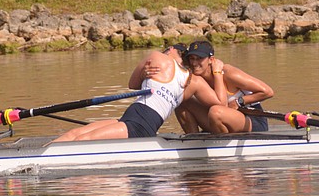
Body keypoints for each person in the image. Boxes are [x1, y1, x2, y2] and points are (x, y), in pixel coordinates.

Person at [52, 44, 221, 142]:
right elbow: (220, 103)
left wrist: (143, 73)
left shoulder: (156, 56)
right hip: (129, 119)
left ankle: (38, 160)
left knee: (82, 140)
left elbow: (132, 84)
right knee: (74, 134)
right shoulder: (194, 81)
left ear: (170, 50)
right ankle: (36, 157)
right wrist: (217, 72)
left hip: (141, 125)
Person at [177, 40, 274, 134]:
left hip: (253, 120)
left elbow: (267, 92)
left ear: (211, 60)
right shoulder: (197, 77)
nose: (194, 63)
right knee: (182, 102)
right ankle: (194, 143)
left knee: (215, 112)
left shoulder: (228, 73)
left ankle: (222, 145)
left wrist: (239, 101)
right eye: (192, 58)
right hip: (219, 117)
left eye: (199, 58)